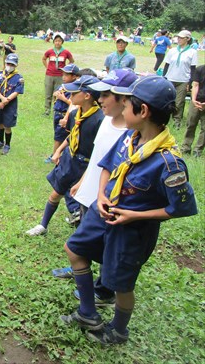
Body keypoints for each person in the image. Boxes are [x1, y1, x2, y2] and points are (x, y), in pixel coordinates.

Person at [60, 75, 197, 344]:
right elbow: (107, 166)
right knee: (74, 250)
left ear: (142, 111)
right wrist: (100, 195)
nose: (122, 109)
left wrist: (135, 215)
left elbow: (180, 208)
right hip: (105, 213)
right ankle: (87, 311)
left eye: (126, 105)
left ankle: (119, 330)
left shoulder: (169, 163)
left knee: (120, 283)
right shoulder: (128, 138)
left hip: (132, 230)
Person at [51, 69, 136, 290]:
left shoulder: (131, 131)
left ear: (125, 99)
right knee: (83, 239)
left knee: (108, 245)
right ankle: (80, 268)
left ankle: (104, 289)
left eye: (106, 95)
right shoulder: (107, 121)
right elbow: (97, 157)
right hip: (92, 192)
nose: (100, 100)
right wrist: (83, 183)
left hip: (110, 200)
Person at [26, 75, 104, 236]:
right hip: (70, 159)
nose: (70, 96)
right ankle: (43, 225)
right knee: (56, 193)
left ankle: (82, 236)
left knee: (82, 202)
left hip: (85, 165)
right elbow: (73, 136)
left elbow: (99, 150)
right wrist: (58, 151)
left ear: (87, 96)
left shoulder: (99, 120)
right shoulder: (76, 114)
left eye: (74, 93)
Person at [162, 30, 199, 129]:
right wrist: (164, 77)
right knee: (167, 100)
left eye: (181, 38)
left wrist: (190, 82)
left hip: (183, 80)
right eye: (178, 37)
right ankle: (164, 119)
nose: (179, 39)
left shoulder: (192, 52)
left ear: (188, 39)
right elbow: (167, 65)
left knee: (179, 102)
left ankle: (177, 121)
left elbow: (193, 68)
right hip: (170, 78)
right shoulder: (172, 50)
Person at [45, 64, 80, 164]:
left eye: (66, 75)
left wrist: (63, 99)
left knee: (59, 137)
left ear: (74, 76)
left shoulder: (74, 89)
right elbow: (56, 93)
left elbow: (74, 104)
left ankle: (55, 155)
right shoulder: (63, 85)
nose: (63, 77)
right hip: (57, 113)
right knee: (57, 134)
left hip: (65, 114)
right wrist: (56, 95)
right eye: (63, 74)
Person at [0, 53, 24, 155]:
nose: (9, 66)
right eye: (8, 63)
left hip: (10, 104)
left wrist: (6, 100)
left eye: (12, 64)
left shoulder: (19, 78)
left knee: (7, 125)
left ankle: (7, 144)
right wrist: (2, 99)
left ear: (16, 65)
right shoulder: (0, 74)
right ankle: (1, 141)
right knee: (0, 123)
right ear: (5, 63)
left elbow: (17, 91)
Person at [42, 32, 75, 116]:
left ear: (62, 42)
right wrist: (47, 67)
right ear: (53, 42)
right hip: (49, 74)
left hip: (60, 75)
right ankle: (47, 110)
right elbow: (44, 59)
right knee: (48, 92)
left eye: (59, 41)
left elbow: (72, 61)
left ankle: (55, 108)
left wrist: (66, 69)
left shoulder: (66, 52)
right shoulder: (50, 51)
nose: (57, 42)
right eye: (56, 41)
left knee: (58, 92)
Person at [181, 64, 205, 157]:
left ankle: (197, 151)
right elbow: (195, 85)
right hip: (196, 101)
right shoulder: (200, 69)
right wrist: (193, 100)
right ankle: (185, 148)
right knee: (190, 125)